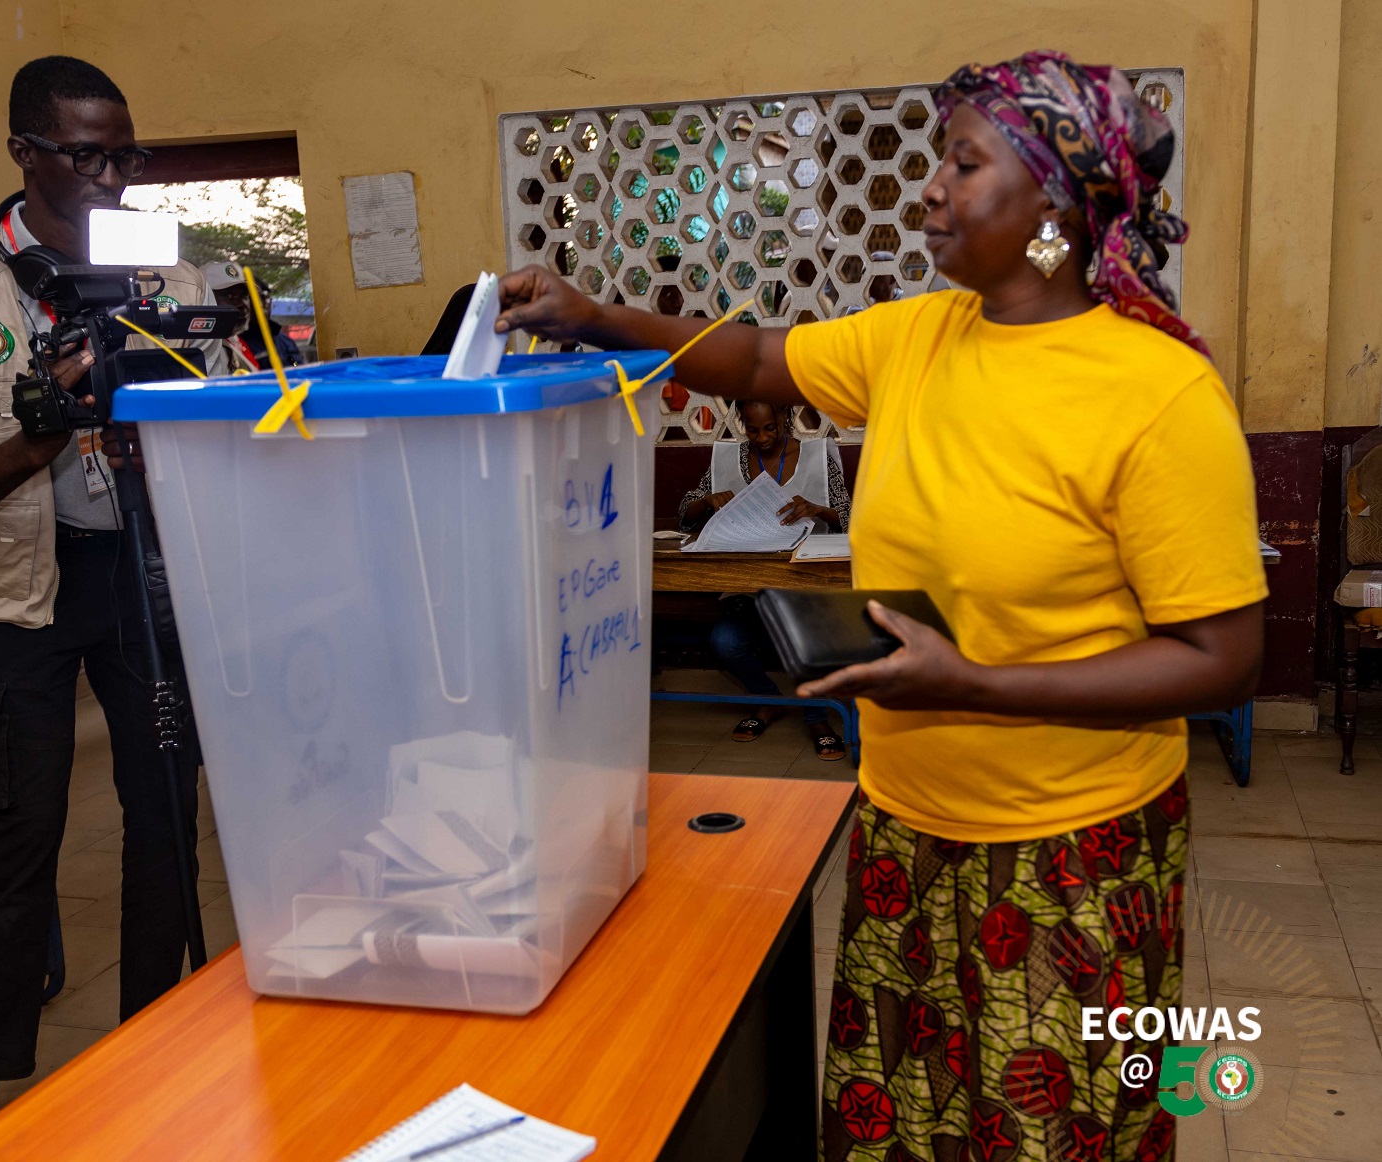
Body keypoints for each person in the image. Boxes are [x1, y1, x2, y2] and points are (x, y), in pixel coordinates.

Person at [495, 50, 1266, 1162]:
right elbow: (755, 359)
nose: (930, 189)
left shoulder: (1159, 393)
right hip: (907, 827)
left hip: (1073, 853)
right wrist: (596, 314)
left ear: (1054, 201)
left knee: (1049, 1129)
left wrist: (977, 685)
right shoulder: (915, 338)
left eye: (965, 163)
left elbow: (1224, 657)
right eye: (937, 161)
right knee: (902, 1124)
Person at [0, 56, 219, 1154]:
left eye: (128, 157)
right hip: (14, 588)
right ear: (23, 153)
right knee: (21, 828)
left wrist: (168, 428)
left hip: (141, 570)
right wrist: (43, 433)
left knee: (164, 812)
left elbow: (224, 422)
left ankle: (157, 1038)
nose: (113, 181)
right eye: (86, 157)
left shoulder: (163, 269)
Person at [678, 399, 852, 759]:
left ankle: (817, 717)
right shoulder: (730, 460)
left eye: (770, 428)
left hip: (806, 587)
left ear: (784, 417)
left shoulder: (815, 456)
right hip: (748, 587)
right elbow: (685, 511)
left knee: (800, 634)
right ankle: (769, 699)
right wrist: (707, 501)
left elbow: (850, 517)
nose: (762, 438)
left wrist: (818, 510)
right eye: (753, 429)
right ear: (742, 423)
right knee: (726, 642)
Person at [200, 261, 260, 374]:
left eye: (244, 296)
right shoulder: (204, 348)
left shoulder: (235, 341)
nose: (242, 304)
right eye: (229, 295)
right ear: (204, 298)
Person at [242, 275, 303, 369]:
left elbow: (298, 367)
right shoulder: (237, 344)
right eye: (255, 297)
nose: (265, 302)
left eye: (266, 296)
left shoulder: (285, 341)